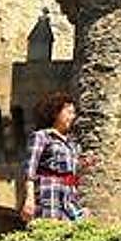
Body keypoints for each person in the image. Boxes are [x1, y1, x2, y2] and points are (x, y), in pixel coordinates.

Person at [20, 92, 87, 222]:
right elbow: (30, 171)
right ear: (56, 113)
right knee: (50, 235)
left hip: (68, 199)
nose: (72, 117)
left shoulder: (72, 144)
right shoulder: (41, 136)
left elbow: (71, 176)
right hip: (48, 195)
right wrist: (29, 199)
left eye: (73, 113)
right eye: (69, 112)